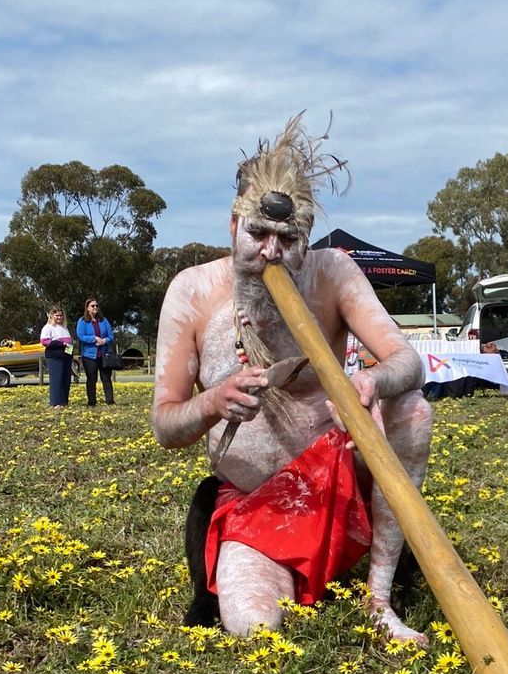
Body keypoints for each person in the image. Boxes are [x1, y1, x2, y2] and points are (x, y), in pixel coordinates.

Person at [150, 115, 433, 643]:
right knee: (252, 626)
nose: (271, 253)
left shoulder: (331, 272)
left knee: (413, 408)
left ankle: (379, 596)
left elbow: (407, 360)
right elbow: (165, 426)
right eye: (258, 234)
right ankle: (287, 569)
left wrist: (371, 381)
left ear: (305, 237)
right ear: (233, 226)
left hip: (340, 482)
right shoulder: (192, 292)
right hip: (259, 504)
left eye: (288, 238)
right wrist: (212, 401)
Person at [76, 297, 116, 406]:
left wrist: (104, 341)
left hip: (103, 355)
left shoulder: (104, 320)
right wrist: (94, 338)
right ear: (87, 308)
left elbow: (111, 336)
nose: (95, 308)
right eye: (92, 306)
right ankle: (92, 402)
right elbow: (80, 336)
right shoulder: (82, 321)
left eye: (96, 306)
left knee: (106, 378)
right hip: (89, 355)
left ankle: (110, 401)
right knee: (91, 379)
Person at [40, 305, 73, 409]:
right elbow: (45, 341)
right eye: (57, 315)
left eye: (61, 315)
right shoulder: (48, 327)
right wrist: (60, 344)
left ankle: (64, 401)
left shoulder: (64, 327)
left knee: (65, 379)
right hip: (54, 356)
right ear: (52, 315)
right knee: (56, 379)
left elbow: (69, 343)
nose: (59, 317)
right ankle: (56, 402)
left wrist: (70, 352)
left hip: (66, 356)